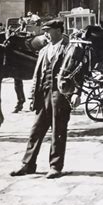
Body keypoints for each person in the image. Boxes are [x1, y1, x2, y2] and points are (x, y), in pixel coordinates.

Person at [10, 19, 70, 179]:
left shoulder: (69, 49)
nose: (45, 34)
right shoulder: (44, 50)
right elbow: (37, 74)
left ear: (58, 30)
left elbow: (77, 73)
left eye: (48, 31)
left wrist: (74, 93)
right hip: (42, 94)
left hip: (60, 95)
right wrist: (32, 96)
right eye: (44, 31)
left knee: (58, 131)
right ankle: (27, 165)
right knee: (36, 131)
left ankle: (55, 166)